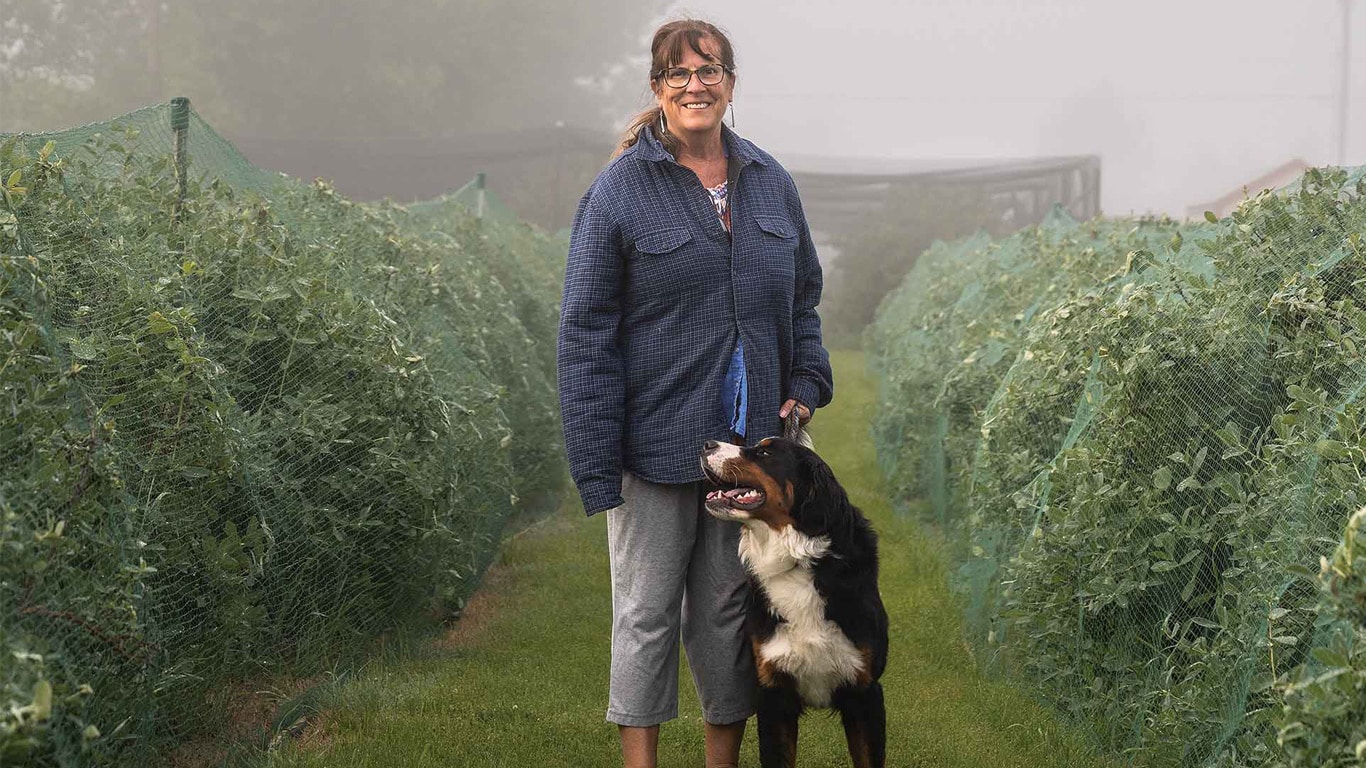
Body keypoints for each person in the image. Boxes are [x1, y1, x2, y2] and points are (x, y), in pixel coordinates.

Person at [556, 17, 834, 768]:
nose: (695, 84)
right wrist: (594, 456)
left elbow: (802, 301)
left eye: (709, 70)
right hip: (651, 445)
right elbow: (585, 330)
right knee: (645, 614)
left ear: (731, 85)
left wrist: (806, 383)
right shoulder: (618, 193)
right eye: (678, 73)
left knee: (723, 614)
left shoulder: (770, 185)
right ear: (658, 88)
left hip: (747, 455)